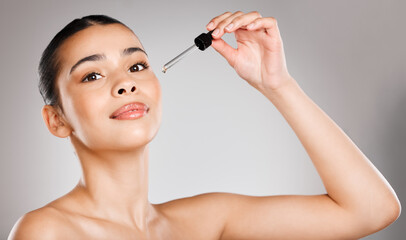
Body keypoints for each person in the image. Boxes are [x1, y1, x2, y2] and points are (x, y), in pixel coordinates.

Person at [8, 11, 401, 239]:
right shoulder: (46, 231)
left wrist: (277, 84)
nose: (126, 82)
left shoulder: (207, 220)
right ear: (56, 120)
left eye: (137, 65)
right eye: (92, 75)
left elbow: (371, 210)